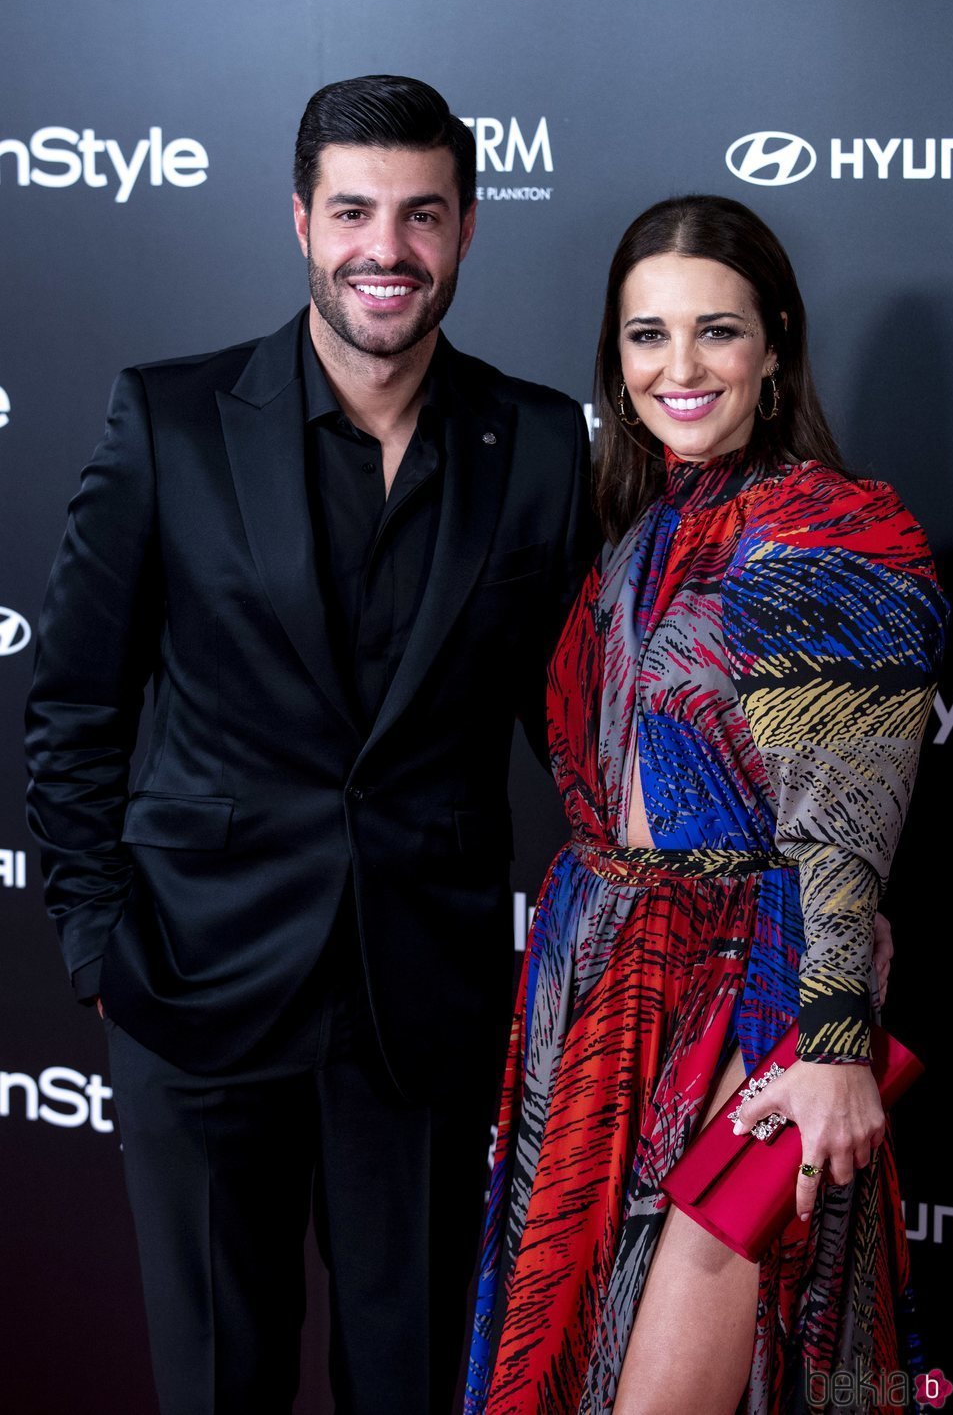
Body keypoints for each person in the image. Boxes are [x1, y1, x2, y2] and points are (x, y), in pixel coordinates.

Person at [24, 76, 597, 1415]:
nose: (383, 250)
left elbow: (581, 732)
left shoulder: (540, 448)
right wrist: (99, 942)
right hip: (195, 984)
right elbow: (75, 704)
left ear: (465, 230)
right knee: (220, 1378)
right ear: (300, 221)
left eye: (420, 215)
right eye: (352, 211)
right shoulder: (167, 421)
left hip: (423, 1007)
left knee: (407, 1383)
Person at [465, 195, 947, 1414]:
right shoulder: (639, 532)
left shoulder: (828, 528)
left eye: (715, 331)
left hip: (746, 1015)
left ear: (775, 344)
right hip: (600, 1001)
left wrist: (831, 1043)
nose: (676, 368)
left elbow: (841, 827)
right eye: (644, 336)